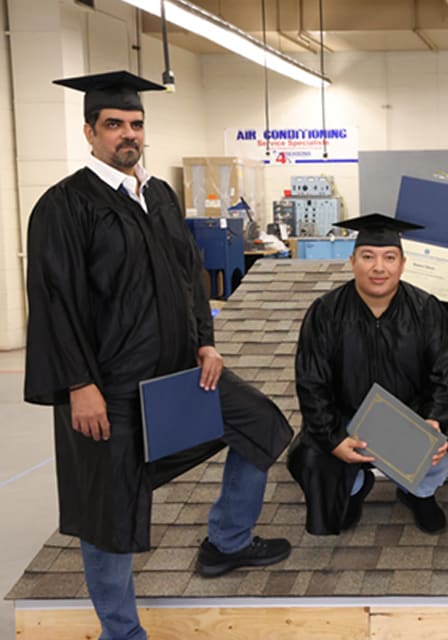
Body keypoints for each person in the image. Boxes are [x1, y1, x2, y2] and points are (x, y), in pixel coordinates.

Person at [23, 71, 293, 640]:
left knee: (261, 424)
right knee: (109, 512)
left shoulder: (160, 197)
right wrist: (78, 384)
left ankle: (228, 541)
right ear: (90, 132)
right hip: (109, 386)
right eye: (115, 124)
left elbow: (188, 275)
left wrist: (205, 339)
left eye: (136, 124)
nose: (128, 134)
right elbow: (55, 301)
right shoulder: (65, 205)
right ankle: (122, 632)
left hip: (179, 373)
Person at [288, 214, 448, 536]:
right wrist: (334, 439)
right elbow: (312, 384)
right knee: (310, 453)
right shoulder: (325, 312)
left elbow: (447, 375)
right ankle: (353, 487)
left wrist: (434, 420)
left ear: (403, 263)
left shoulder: (426, 309)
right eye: (368, 257)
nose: (379, 268)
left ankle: (418, 492)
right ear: (352, 261)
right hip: (348, 419)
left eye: (389, 258)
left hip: (413, 417)